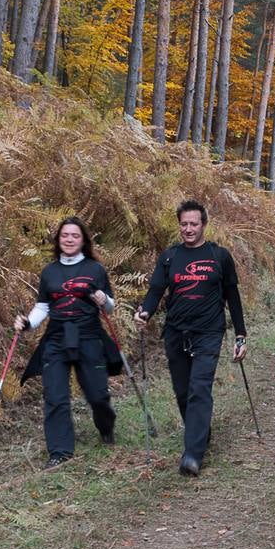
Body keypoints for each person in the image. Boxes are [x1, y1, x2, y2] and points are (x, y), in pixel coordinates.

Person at [135, 200, 248, 477]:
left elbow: (232, 296)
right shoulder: (170, 257)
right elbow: (156, 290)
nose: (188, 229)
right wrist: (145, 312)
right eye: (184, 224)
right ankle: (200, 432)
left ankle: (192, 455)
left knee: (199, 389)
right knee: (183, 392)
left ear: (204, 225)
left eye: (193, 224)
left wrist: (241, 334)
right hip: (175, 332)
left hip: (209, 332)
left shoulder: (218, 256)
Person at [16, 216, 123, 468]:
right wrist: (28, 323)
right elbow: (43, 306)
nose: (70, 239)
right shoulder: (49, 271)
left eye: (75, 235)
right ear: (58, 239)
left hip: (89, 336)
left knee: (98, 395)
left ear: (83, 240)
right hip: (56, 338)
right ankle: (60, 453)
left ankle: (106, 427)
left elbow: (110, 305)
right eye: (65, 235)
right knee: (55, 396)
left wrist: (102, 299)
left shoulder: (95, 269)